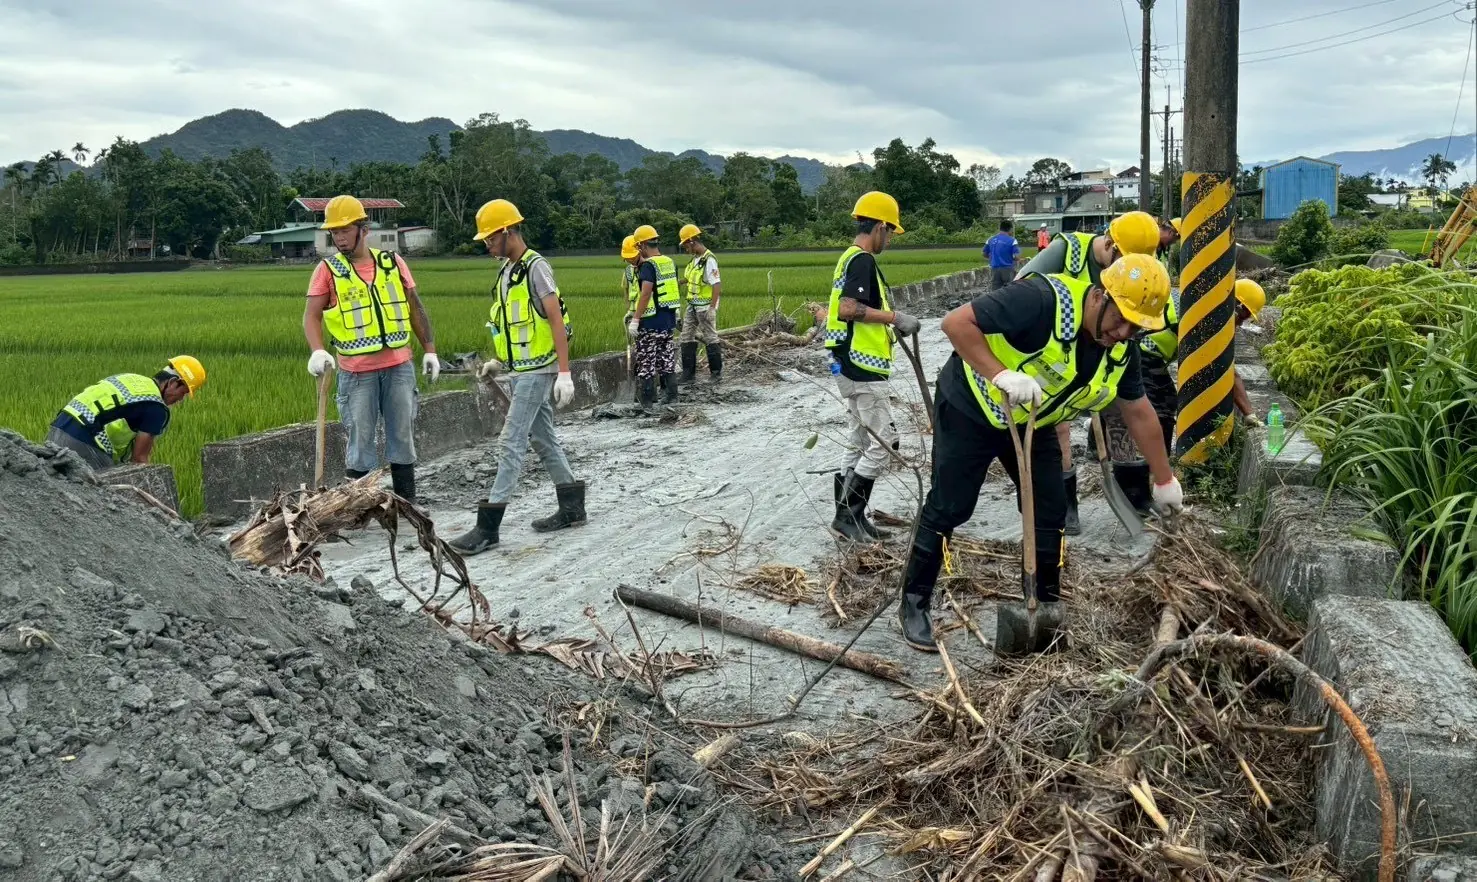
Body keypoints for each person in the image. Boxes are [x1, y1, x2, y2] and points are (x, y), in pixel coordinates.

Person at [895, 253, 1184, 652]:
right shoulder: (1041, 301)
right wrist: (1001, 373)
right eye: (1121, 319)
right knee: (950, 506)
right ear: (1100, 295)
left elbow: (1139, 412)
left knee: (1049, 511)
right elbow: (955, 323)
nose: (1124, 332)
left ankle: (1044, 603)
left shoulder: (1122, 350)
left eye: (1136, 327)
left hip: (1034, 422)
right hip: (971, 408)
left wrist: (1165, 479)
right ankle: (914, 601)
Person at [449, 199, 582, 556]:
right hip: (521, 371)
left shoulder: (537, 268)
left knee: (510, 441)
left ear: (507, 231)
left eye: (490, 239)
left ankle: (488, 528)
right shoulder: (508, 272)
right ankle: (572, 507)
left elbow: (555, 320)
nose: (487, 246)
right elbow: (511, 327)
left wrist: (564, 373)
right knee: (543, 439)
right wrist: (497, 362)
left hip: (541, 370)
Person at [1016, 210, 1161, 535]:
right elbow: (1021, 289)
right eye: (1123, 259)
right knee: (1059, 427)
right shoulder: (1065, 251)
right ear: (1109, 243)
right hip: (1061, 355)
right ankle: (1066, 505)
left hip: (1109, 352)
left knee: (1124, 415)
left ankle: (1135, 493)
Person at [304, 194, 438, 502]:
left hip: (399, 367)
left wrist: (429, 348)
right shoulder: (328, 270)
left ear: (363, 229)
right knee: (360, 442)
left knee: (402, 437)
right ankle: (359, 507)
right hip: (357, 373)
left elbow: (414, 306)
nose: (338, 238)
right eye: (334, 232)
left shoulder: (392, 263)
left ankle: (406, 503)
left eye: (345, 230)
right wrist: (317, 349)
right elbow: (311, 316)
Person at [1109, 277, 1269, 512]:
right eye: (1242, 317)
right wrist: (1250, 414)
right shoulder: (1207, 317)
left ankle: (1153, 473)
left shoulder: (1204, 306)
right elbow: (1230, 374)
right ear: (1235, 306)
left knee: (1162, 406)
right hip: (1141, 353)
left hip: (1148, 355)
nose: (1240, 325)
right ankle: (1151, 478)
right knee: (1159, 411)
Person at [824, 191, 922, 542]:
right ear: (879, 226)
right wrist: (896, 317)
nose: (891, 239)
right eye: (891, 232)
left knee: (859, 437)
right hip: (862, 367)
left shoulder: (848, 258)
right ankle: (847, 515)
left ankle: (853, 518)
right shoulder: (862, 261)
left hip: (847, 363)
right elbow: (848, 309)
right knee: (886, 441)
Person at [48, 356, 205, 471]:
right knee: (104, 495)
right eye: (183, 393)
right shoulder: (156, 408)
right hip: (85, 440)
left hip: (58, 427)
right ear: (173, 383)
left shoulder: (133, 379)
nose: (180, 400)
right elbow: (139, 460)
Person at [628, 224, 683, 407]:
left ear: (643, 245)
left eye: (638, 247)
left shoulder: (648, 266)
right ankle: (672, 397)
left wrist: (636, 319)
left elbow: (646, 294)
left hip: (650, 322)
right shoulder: (669, 262)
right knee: (667, 360)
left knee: (646, 363)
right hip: (667, 322)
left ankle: (647, 404)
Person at [677, 223, 724, 384]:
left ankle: (716, 373)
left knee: (710, 337)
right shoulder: (695, 260)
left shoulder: (709, 260)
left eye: (685, 245)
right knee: (686, 336)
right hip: (692, 304)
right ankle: (688, 374)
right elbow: (692, 279)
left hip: (704, 306)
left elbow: (716, 284)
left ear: (691, 241)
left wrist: (712, 307)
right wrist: (680, 282)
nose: (685, 248)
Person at [984, 220, 1021, 291]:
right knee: (1009, 290)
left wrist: (992, 258)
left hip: (994, 269)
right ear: (1010, 229)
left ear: (1000, 228)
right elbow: (1017, 257)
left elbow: (984, 254)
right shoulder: (1012, 240)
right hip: (1007, 269)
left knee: (995, 292)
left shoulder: (990, 239)